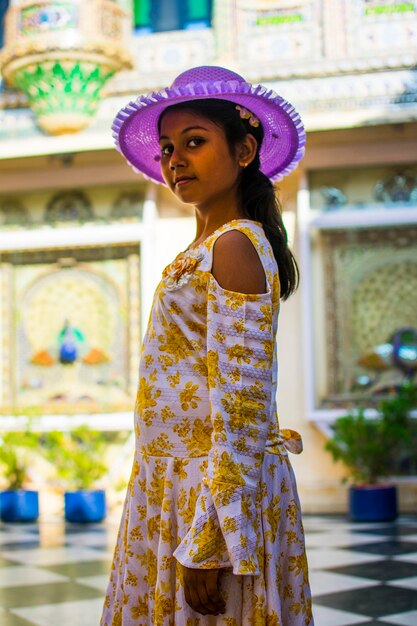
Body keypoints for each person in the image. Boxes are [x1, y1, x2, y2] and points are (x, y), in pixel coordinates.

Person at [101, 65, 314, 625]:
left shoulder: (236, 245)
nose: (176, 160)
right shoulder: (205, 247)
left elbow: (242, 406)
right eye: (168, 148)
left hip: (209, 499)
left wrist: (210, 541)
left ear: (244, 150)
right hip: (175, 485)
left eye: (195, 143)